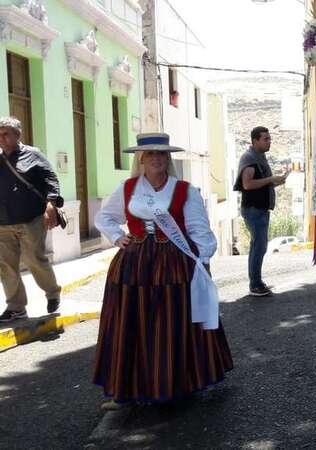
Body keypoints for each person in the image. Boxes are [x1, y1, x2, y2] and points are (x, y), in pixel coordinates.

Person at [93, 133, 232, 407]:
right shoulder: (127, 188)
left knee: (173, 323)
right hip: (134, 266)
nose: (156, 158)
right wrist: (117, 237)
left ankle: (180, 382)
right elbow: (105, 217)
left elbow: (198, 228)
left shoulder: (184, 191)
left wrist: (203, 260)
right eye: (150, 154)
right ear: (141, 159)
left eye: (161, 154)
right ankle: (130, 387)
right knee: (132, 324)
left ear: (168, 159)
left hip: (174, 263)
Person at [0, 116, 62, 322]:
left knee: (34, 259)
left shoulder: (33, 154)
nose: (1, 138)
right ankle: (16, 306)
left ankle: (52, 292)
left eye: (6, 133)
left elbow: (50, 179)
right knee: (6, 266)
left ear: (18, 135)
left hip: (31, 218)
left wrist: (51, 204)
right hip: (3, 222)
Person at [234, 126, 288, 297]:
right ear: (255, 140)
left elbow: (261, 183)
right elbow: (247, 184)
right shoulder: (250, 158)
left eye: (269, 138)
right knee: (259, 247)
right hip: (254, 209)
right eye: (265, 139)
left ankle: (256, 282)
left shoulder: (259, 157)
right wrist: (271, 179)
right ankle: (255, 285)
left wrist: (276, 181)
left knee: (258, 246)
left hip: (260, 209)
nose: (269, 141)